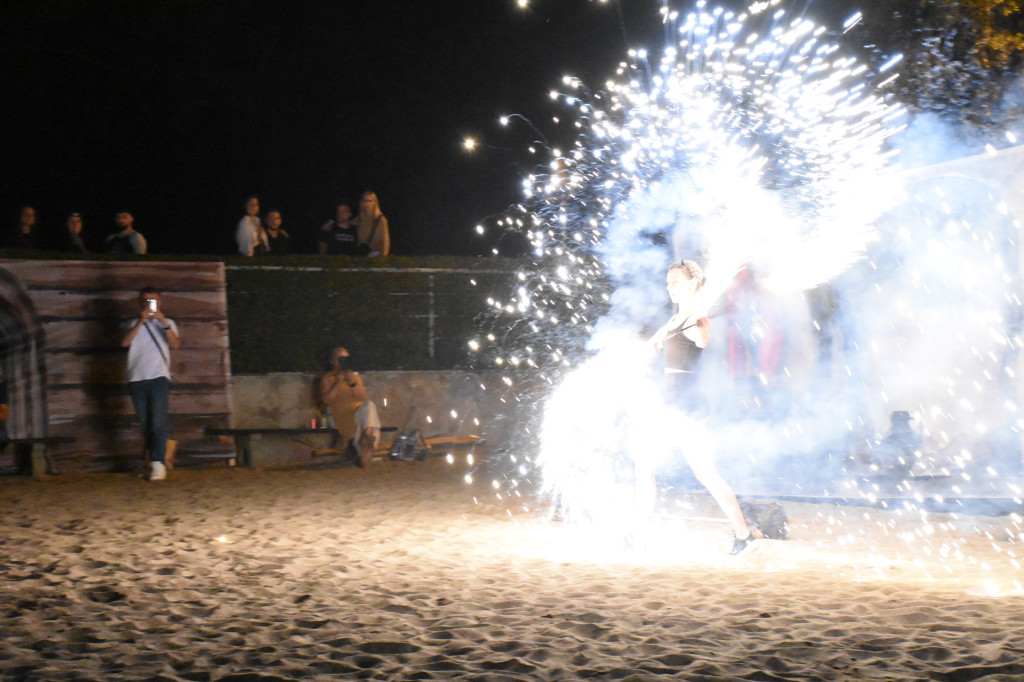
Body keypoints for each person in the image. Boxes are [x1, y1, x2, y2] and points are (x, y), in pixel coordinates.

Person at [646, 260, 757, 554]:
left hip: (685, 405)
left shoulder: (696, 318)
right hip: (675, 405)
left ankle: (743, 535)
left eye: (676, 282)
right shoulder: (674, 320)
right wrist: (651, 345)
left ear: (693, 283)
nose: (670, 287)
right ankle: (743, 535)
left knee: (651, 467)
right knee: (698, 471)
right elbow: (653, 343)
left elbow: (701, 338)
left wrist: (704, 332)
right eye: (668, 282)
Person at [120, 286, 180, 481]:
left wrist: (162, 321)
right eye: (145, 301)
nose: (149, 304)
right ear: (140, 303)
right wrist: (141, 320)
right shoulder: (133, 323)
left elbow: (175, 344)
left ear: (160, 302)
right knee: (146, 423)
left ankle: (158, 463)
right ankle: (153, 461)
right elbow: (125, 343)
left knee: (158, 421)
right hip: (137, 378)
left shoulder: (168, 322)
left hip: (159, 377)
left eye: (152, 300)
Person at [319, 347, 381, 467]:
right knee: (366, 420)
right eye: (339, 358)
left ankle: (366, 437)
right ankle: (365, 446)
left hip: (356, 411)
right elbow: (327, 400)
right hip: (339, 413)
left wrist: (352, 382)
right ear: (332, 360)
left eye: (345, 358)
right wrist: (338, 382)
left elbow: (362, 396)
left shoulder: (354, 375)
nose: (342, 361)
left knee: (370, 405)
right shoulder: (328, 377)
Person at [354, 191, 390, 256]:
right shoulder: (358, 219)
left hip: (375, 254)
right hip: (361, 254)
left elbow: (385, 241)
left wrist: (383, 259)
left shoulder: (380, 220)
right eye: (364, 201)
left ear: (375, 203)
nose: (366, 204)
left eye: (369, 201)